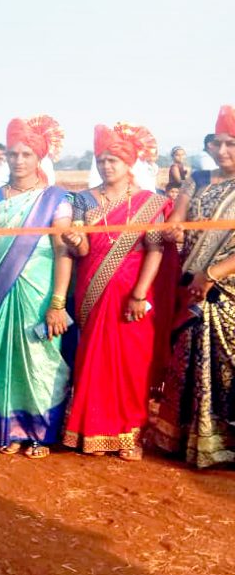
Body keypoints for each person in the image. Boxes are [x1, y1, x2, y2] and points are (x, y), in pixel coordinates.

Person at [0, 115, 73, 459]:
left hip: (40, 290)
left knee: (40, 357)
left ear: (39, 158)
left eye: (26, 154)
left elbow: (62, 250)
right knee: (7, 354)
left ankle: (39, 431)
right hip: (3, 284)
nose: (19, 160)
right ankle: (5, 427)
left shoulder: (56, 199)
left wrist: (57, 302)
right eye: (13, 154)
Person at [61, 124, 167, 461]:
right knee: (93, 357)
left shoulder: (148, 203)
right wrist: (75, 241)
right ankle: (92, 431)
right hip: (93, 287)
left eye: (114, 161)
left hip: (131, 290)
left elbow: (155, 249)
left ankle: (129, 434)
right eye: (102, 160)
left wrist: (139, 293)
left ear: (129, 163)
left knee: (131, 363)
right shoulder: (83, 199)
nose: (107, 166)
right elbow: (81, 249)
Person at [152, 105, 235, 468]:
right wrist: (174, 227)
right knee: (190, 358)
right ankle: (190, 437)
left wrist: (214, 272)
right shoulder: (196, 178)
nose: (223, 151)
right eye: (217, 143)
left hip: (227, 286)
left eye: (231, 144)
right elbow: (177, 216)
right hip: (191, 282)